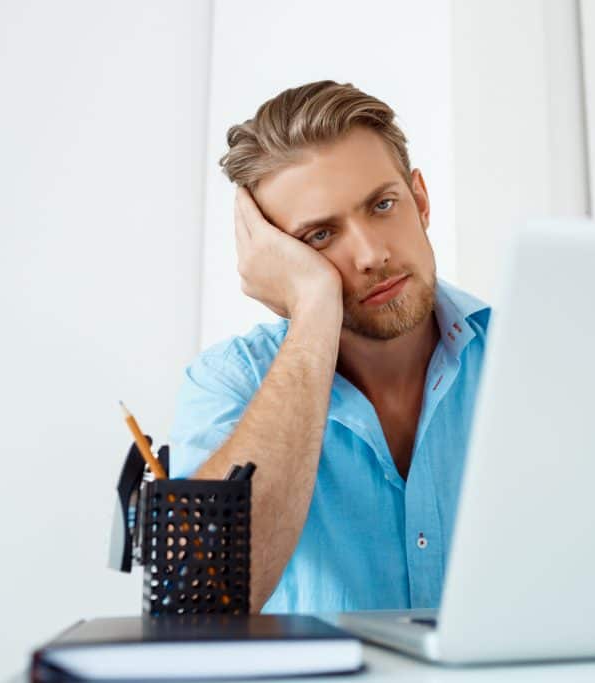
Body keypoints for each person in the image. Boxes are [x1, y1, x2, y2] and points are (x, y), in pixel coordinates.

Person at [170, 80, 490, 614]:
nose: (371, 254)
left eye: (383, 205)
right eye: (320, 236)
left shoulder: (530, 359)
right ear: (278, 258)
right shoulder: (227, 383)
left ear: (421, 199)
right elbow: (202, 600)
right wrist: (315, 308)